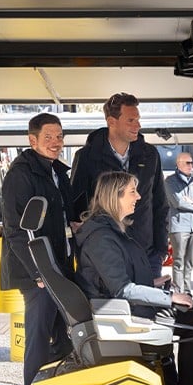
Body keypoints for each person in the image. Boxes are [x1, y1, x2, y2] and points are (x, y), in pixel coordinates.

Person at [75, 171, 193, 385]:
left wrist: (155, 283)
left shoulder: (111, 230)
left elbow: (115, 279)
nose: (139, 196)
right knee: (192, 320)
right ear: (115, 197)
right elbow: (121, 289)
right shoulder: (102, 236)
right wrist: (169, 298)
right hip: (117, 313)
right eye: (132, 191)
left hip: (121, 306)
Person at [1, 113, 75, 385]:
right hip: (38, 274)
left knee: (63, 336)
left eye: (59, 136)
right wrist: (38, 273)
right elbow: (15, 230)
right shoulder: (21, 174)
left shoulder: (57, 171)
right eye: (48, 137)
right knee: (39, 336)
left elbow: (67, 217)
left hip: (58, 267)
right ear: (32, 140)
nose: (56, 142)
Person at [70, 92, 168, 277]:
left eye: (138, 119)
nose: (137, 125)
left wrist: (160, 252)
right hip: (104, 255)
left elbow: (160, 204)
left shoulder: (150, 155)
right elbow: (77, 209)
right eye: (130, 120)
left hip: (146, 254)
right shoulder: (86, 157)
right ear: (111, 122)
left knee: (147, 305)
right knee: (113, 306)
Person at [164, 152, 193, 295]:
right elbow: (177, 202)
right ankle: (179, 293)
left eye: (192, 163)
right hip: (179, 226)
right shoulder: (170, 181)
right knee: (178, 261)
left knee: (189, 262)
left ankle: (188, 292)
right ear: (178, 164)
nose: (191, 166)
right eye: (187, 163)